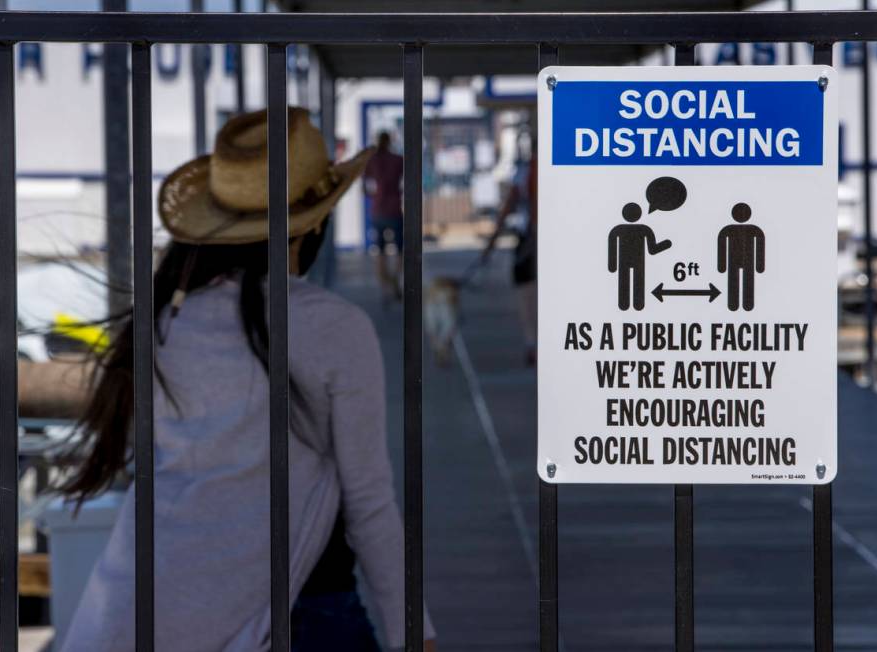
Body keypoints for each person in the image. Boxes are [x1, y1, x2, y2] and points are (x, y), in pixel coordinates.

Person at [58, 108, 436, 652]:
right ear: (313, 223)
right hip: (301, 612)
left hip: (145, 612)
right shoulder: (333, 328)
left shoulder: (165, 322)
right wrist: (413, 632)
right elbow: (368, 502)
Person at [483, 135, 538, 366]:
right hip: (558, 239)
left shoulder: (525, 171)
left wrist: (492, 242)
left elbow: (508, 206)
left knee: (526, 290)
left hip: (530, 237)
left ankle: (531, 341)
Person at [608, 202, 672, 311]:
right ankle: (637, 304)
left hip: (625, 261)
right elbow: (653, 250)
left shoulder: (618, 229)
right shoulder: (644, 229)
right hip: (638, 261)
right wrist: (666, 244)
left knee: (625, 280)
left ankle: (625, 304)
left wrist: (612, 266)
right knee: (638, 281)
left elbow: (612, 247)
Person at [363, 131, 405, 300]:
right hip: (395, 209)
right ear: (390, 142)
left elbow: (365, 187)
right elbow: (406, 183)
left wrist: (373, 197)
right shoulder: (398, 160)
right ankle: (396, 277)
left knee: (379, 251)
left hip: (378, 209)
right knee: (400, 249)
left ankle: (385, 286)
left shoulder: (371, 161)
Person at [717, 201, 765, 312]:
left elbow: (760, 245)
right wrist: (760, 266)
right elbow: (722, 245)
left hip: (744, 261)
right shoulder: (752, 229)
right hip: (740, 261)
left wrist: (722, 266)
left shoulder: (752, 230)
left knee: (745, 281)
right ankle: (735, 305)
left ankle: (744, 305)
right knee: (738, 282)